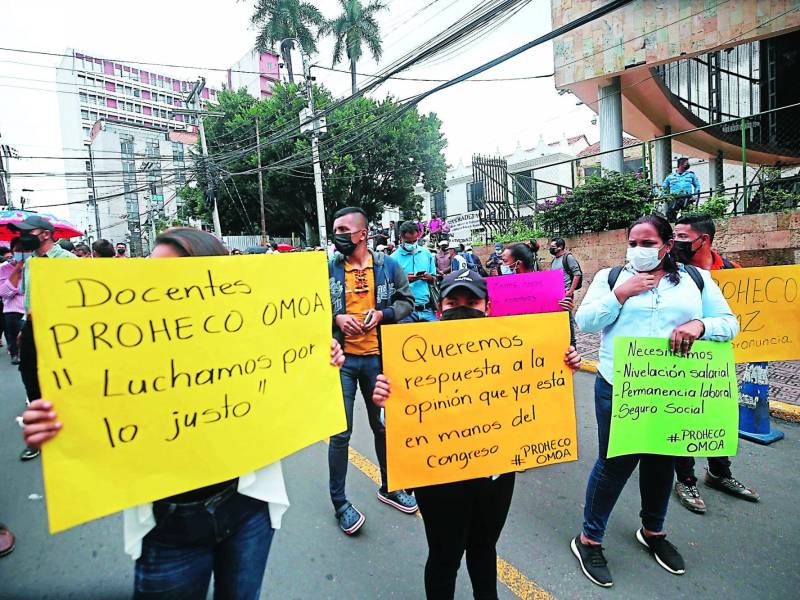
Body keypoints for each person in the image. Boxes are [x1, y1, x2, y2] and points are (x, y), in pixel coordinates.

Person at [21, 226, 347, 599]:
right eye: (151, 274)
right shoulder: (122, 348)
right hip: (170, 527)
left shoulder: (250, 335)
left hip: (249, 507)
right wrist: (52, 426)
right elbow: (86, 407)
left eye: (172, 278)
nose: (156, 287)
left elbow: (293, 369)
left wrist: (322, 360)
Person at [372, 269, 581, 600]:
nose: (462, 308)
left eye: (472, 302)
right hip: (438, 479)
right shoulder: (416, 354)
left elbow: (537, 387)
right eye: (453, 302)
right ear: (440, 309)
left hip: (494, 477)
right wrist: (386, 401)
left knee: (484, 548)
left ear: (488, 307)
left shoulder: (508, 348)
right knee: (445, 556)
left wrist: (562, 362)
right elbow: (399, 421)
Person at [571, 214, 739, 588]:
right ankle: (589, 539)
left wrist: (700, 326)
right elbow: (586, 322)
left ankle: (653, 531)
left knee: (662, 460)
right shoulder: (611, 278)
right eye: (632, 243)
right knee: (614, 463)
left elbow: (730, 323)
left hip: (672, 390)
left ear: (667, 245)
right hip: (619, 387)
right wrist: (621, 294)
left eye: (647, 244)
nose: (638, 250)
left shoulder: (696, 280)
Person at [328, 206, 417, 535]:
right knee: (340, 434)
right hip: (342, 362)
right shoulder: (328, 270)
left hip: (378, 361)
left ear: (363, 234)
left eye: (343, 229)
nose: (337, 236)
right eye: (335, 230)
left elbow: (407, 302)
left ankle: (390, 487)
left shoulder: (388, 266)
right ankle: (340, 503)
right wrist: (336, 319)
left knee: (383, 427)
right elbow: (310, 310)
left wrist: (382, 315)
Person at [671, 213, 759, 512]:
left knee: (717, 417)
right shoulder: (672, 271)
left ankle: (720, 473)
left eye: (682, 237)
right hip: (681, 357)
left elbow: (746, 317)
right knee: (683, 417)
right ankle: (685, 479)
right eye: (675, 236)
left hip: (717, 360)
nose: (676, 242)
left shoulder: (732, 272)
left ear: (704, 239)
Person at [7, 215, 77, 462]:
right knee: (29, 373)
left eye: (28, 232)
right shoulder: (30, 264)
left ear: (46, 234)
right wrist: (24, 327)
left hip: (62, 328)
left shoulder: (68, 261)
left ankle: (73, 429)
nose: (23, 237)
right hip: (32, 326)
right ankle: (42, 434)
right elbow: (27, 297)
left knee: (65, 377)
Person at [392, 220, 438, 323]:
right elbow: (389, 287)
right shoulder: (393, 259)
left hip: (427, 309)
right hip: (404, 313)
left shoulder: (426, 253)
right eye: (409, 242)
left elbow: (434, 279)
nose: (412, 244)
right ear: (401, 237)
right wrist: (405, 280)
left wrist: (429, 277)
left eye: (415, 240)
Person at [549, 238, 582, 348]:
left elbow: (577, 274)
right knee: (560, 319)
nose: (551, 248)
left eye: (553, 246)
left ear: (560, 247)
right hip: (557, 294)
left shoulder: (568, 258)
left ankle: (572, 344)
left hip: (566, 293)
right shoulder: (554, 260)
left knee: (568, 318)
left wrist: (570, 291)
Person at [0, 237, 27, 365]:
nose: (22, 253)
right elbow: (4, 293)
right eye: (18, 250)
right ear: (12, 252)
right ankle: (15, 353)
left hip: (30, 309)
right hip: (12, 311)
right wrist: (17, 270)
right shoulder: (3, 269)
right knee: (14, 337)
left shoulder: (35, 266)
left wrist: (16, 287)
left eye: (25, 250)